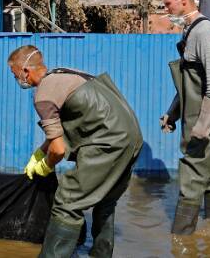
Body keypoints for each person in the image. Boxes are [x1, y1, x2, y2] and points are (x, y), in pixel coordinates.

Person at [9, 46, 143, 258]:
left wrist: (45, 165)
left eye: (14, 73)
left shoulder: (43, 94)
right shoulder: (64, 74)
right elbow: (58, 132)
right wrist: (39, 153)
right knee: (105, 200)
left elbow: (58, 149)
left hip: (107, 141)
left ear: (25, 71)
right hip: (132, 137)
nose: (16, 78)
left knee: (67, 202)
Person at [159, 0, 210, 235]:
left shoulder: (204, 32)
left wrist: (203, 127)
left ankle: (180, 239)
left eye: (167, 3)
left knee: (191, 175)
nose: (165, 8)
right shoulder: (189, 32)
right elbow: (190, 82)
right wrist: (173, 111)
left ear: (183, 0)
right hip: (195, 116)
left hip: (202, 121)